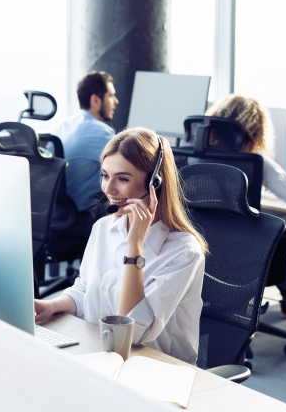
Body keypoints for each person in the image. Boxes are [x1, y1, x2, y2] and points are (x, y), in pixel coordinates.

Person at [35, 127, 208, 365]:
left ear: (155, 183)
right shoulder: (103, 228)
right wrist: (50, 306)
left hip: (154, 371)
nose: (108, 189)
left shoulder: (183, 252)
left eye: (123, 178)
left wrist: (134, 248)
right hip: (102, 355)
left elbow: (132, 332)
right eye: (105, 175)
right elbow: (86, 289)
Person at [206, 94, 286, 323]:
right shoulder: (256, 161)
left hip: (207, 256)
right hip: (246, 261)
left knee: (279, 241)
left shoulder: (197, 156)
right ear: (254, 128)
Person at [53, 71, 118, 223]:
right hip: (82, 219)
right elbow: (128, 169)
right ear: (95, 100)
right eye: (111, 96)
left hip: (56, 216)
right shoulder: (102, 133)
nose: (116, 101)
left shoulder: (61, 127)